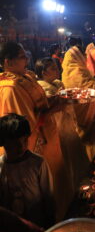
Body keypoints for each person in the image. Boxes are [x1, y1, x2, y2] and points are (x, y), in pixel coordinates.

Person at [0, 41, 69, 221]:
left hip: (48, 135)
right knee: (42, 189)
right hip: (37, 143)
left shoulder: (24, 77)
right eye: (22, 57)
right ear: (8, 62)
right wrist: (53, 109)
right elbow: (23, 128)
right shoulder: (10, 88)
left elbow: (38, 103)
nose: (27, 59)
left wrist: (53, 100)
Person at [35, 57, 89, 196]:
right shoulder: (42, 89)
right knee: (65, 160)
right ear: (43, 72)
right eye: (53, 68)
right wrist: (61, 102)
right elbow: (43, 113)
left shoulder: (57, 83)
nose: (58, 70)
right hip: (55, 128)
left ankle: (79, 185)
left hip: (66, 124)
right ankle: (70, 191)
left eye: (56, 67)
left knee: (74, 154)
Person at [62, 37, 95, 161]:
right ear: (78, 57)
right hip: (84, 112)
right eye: (82, 54)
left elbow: (90, 81)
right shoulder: (76, 72)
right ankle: (91, 163)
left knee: (92, 138)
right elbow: (91, 90)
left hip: (86, 109)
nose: (85, 56)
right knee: (88, 140)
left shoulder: (73, 70)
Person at [0, 114, 55, 228]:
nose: (21, 146)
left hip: (39, 225)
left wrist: (51, 225)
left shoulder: (38, 163)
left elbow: (48, 198)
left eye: (25, 140)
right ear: (3, 142)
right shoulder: (1, 167)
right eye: (15, 142)